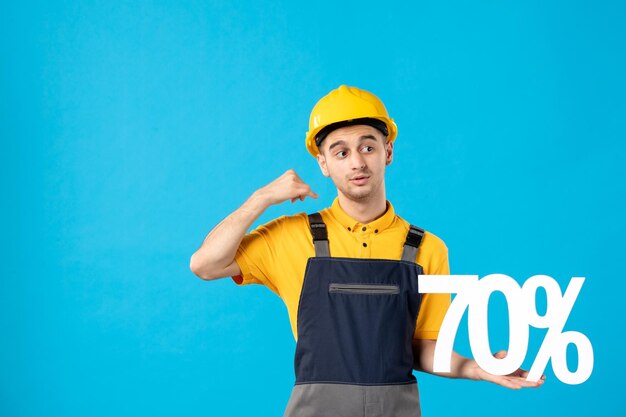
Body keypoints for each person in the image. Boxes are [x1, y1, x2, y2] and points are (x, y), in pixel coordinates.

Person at [190, 85, 544, 417]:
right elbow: (205, 264)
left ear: (388, 152)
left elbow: (421, 348)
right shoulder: (291, 236)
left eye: (368, 146)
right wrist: (261, 198)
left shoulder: (426, 249)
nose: (357, 162)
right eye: (340, 152)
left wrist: (476, 368)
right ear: (324, 164)